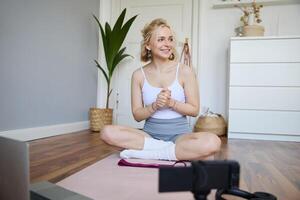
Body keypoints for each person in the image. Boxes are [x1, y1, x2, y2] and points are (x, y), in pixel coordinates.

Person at [101, 18, 221, 161]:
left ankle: (153, 153)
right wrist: (155, 105)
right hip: (149, 136)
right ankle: (171, 153)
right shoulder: (138, 75)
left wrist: (171, 103)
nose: (167, 44)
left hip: (180, 137)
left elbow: (194, 110)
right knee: (106, 132)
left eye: (170, 39)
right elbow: (137, 115)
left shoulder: (185, 71)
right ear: (148, 45)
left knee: (213, 142)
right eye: (161, 39)